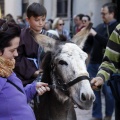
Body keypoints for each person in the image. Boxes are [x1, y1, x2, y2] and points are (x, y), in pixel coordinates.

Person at [14, 3, 59, 119]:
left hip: (47, 76)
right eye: (37, 19)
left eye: (43, 19)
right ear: (28, 19)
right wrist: (33, 72)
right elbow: (17, 58)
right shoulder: (21, 36)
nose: (40, 23)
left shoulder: (51, 37)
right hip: (27, 77)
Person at [0, 19, 50, 120]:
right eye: (12, 50)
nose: (16, 54)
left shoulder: (7, 69)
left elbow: (16, 99)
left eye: (17, 49)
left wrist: (33, 88)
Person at [87, 3, 118, 120]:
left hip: (108, 67)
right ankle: (96, 116)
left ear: (112, 14)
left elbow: (109, 44)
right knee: (94, 93)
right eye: (101, 13)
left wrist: (95, 35)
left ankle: (108, 116)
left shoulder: (117, 27)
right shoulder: (99, 27)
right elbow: (90, 44)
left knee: (109, 94)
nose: (102, 16)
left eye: (104, 13)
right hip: (93, 65)